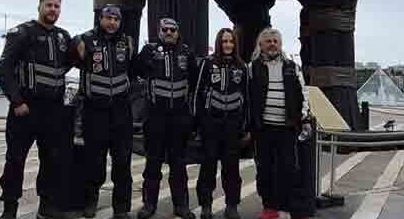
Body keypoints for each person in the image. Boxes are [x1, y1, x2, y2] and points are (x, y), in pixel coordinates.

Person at [0, 0, 74, 219]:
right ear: (39, 6)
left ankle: (46, 206)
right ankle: (9, 208)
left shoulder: (63, 36)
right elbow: (3, 69)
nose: (53, 10)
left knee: (51, 160)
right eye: (49, 5)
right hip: (25, 110)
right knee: (15, 160)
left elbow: (67, 64)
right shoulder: (23, 32)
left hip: (53, 111)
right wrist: (17, 101)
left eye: (57, 6)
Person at [71, 5, 136, 219]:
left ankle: (121, 209)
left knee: (122, 164)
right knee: (94, 162)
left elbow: (136, 72)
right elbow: (65, 63)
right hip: (94, 111)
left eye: (116, 19)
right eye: (108, 18)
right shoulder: (84, 40)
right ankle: (90, 202)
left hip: (121, 112)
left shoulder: (127, 42)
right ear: (100, 19)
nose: (112, 23)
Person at [131, 18, 198, 219]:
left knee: (178, 165)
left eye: (172, 29)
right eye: (165, 29)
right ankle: (149, 205)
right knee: (153, 164)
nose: (169, 32)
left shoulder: (187, 53)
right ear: (159, 32)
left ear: (178, 32)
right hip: (155, 118)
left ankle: (181, 205)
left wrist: (191, 118)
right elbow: (133, 72)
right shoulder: (149, 51)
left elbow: (195, 83)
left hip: (179, 118)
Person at [248, 28, 312, 219]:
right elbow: (248, 96)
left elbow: (304, 94)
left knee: (287, 168)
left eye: (276, 41)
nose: (272, 44)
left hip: (287, 128)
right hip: (263, 128)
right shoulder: (252, 68)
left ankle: (284, 206)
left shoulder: (292, 67)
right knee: (264, 169)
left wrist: (304, 118)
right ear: (261, 45)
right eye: (268, 41)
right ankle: (269, 207)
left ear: (281, 44)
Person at [193, 29, 248, 219]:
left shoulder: (242, 66)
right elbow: (198, 93)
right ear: (219, 43)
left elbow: (246, 97)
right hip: (211, 123)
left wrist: (245, 125)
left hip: (232, 124)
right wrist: (197, 124)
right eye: (224, 41)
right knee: (208, 165)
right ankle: (206, 205)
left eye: (231, 41)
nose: (228, 45)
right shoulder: (208, 63)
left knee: (231, 167)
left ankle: (231, 205)